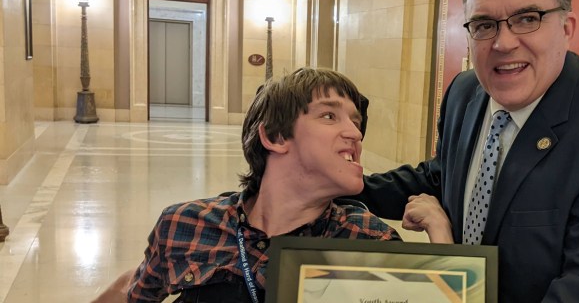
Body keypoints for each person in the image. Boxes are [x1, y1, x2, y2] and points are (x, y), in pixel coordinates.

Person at [355, 0, 579, 302]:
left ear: (566, 28)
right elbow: (441, 177)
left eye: (527, 19)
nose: (503, 43)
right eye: (483, 24)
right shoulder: (464, 92)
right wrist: (340, 186)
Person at [96, 68, 411, 303]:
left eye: (356, 122)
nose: (355, 134)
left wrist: (441, 240)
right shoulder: (185, 224)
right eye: (329, 116)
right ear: (274, 137)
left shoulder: (370, 240)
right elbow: (135, 293)